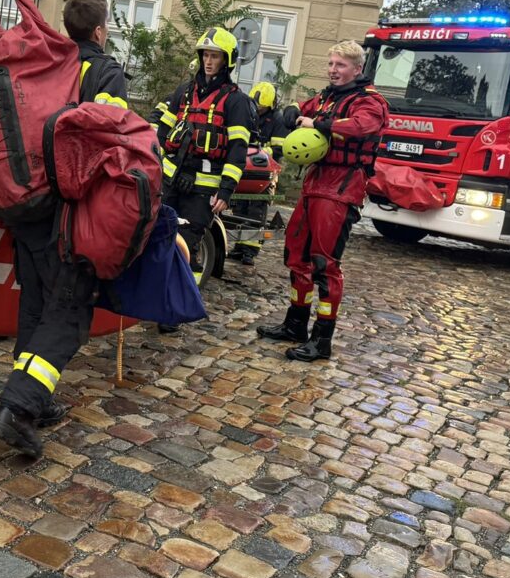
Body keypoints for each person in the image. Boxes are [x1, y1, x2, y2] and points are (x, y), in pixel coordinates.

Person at [0, 0, 129, 457]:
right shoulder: (104, 72)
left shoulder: (50, 62)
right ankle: (20, 408)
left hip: (23, 202)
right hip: (66, 212)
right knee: (68, 313)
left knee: (35, 302)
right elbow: (106, 138)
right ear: (100, 31)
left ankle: (37, 399)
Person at [257, 41, 388, 361]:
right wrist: (292, 112)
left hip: (342, 186)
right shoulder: (328, 97)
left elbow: (361, 126)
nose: (333, 70)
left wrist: (316, 123)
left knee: (324, 263)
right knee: (296, 253)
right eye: (331, 64)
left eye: (340, 65)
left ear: (357, 69)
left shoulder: (370, 102)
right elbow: (303, 107)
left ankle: (322, 339)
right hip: (316, 182)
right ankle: (295, 323)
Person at [154, 27, 255, 288]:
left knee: (185, 246)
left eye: (215, 56)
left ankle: (173, 310)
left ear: (227, 60)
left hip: (203, 191)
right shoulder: (184, 92)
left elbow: (237, 149)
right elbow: (162, 131)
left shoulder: (236, 102)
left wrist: (226, 190)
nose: (209, 62)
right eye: (205, 55)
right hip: (172, 181)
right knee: (157, 237)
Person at [229, 81, 293, 265]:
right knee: (239, 208)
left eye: (262, 108)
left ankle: (250, 250)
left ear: (270, 106)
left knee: (256, 210)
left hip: (265, 173)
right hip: (246, 168)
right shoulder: (249, 113)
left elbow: (279, 149)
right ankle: (239, 247)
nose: (259, 110)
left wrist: (261, 151)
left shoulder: (278, 120)